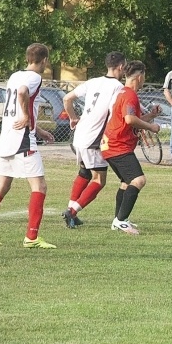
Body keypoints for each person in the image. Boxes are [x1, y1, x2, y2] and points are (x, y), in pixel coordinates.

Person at [0, 43, 57, 248]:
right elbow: (22, 93)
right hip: (22, 139)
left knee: (2, 185)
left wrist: (38, 129)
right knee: (39, 186)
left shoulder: (15, 75)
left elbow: (19, 96)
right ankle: (32, 237)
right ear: (44, 60)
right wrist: (27, 117)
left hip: (8, 136)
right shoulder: (34, 78)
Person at [61, 51, 126, 228]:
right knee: (99, 180)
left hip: (80, 134)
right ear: (121, 66)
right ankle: (72, 212)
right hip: (94, 139)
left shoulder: (93, 82)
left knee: (84, 173)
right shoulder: (118, 87)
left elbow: (67, 98)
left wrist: (73, 118)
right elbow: (115, 112)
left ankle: (71, 210)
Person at [100, 60, 162, 235]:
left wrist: (151, 116)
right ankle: (120, 221)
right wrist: (151, 126)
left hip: (110, 144)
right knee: (138, 180)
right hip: (117, 145)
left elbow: (131, 118)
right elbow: (129, 119)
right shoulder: (129, 95)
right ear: (140, 76)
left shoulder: (123, 92)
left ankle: (119, 220)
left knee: (126, 183)